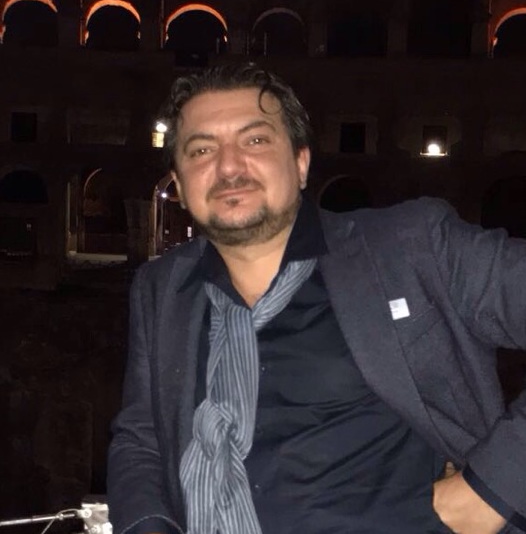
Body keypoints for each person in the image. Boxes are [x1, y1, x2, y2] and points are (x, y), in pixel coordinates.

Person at [107, 62, 526, 534]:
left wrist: (488, 491)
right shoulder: (161, 287)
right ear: (180, 186)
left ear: (301, 163)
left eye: (255, 140)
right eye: (201, 150)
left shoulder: (411, 247)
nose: (228, 166)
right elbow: (142, 438)